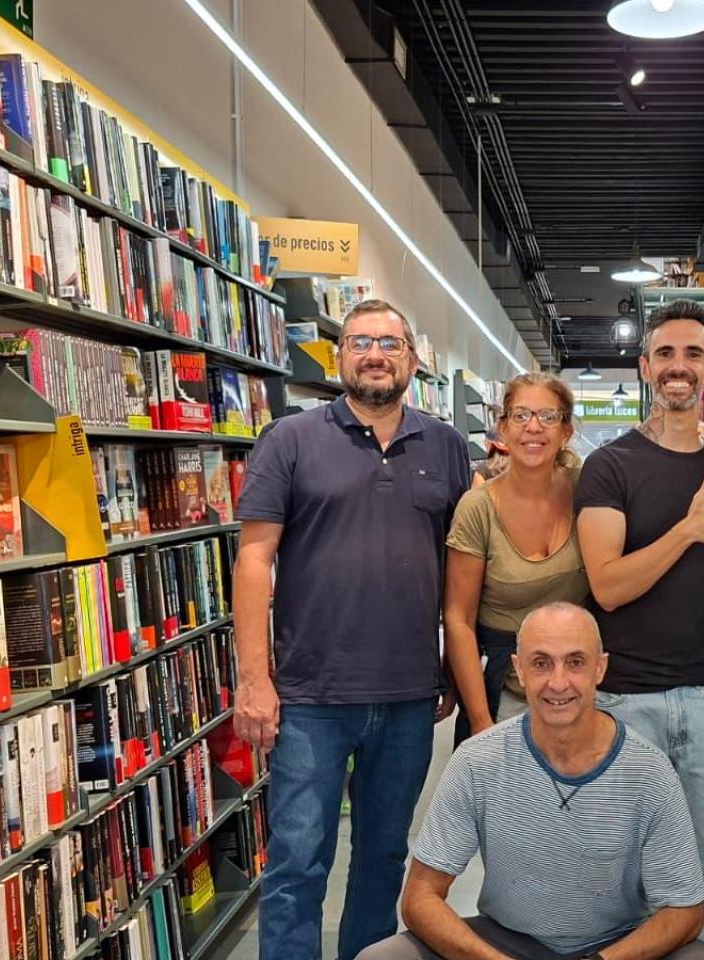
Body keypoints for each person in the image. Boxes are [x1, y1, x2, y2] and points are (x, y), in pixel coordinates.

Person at [232, 299, 470, 960]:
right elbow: (253, 560)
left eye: (390, 343)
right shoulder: (290, 439)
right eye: (361, 341)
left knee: (385, 857)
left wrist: (450, 665)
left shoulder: (446, 448)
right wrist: (255, 680)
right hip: (310, 696)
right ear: (340, 355)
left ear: (412, 359)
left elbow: (460, 570)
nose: (375, 354)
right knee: (297, 865)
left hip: (407, 696)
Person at [357, 603, 704, 960]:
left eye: (575, 662)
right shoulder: (477, 762)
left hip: (614, 945)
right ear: (520, 670)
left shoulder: (649, 773)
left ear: (600, 668)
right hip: (505, 942)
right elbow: (421, 897)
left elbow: (684, 913)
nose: (558, 682)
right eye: (541, 663)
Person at [576, 299, 704, 954]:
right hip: (626, 702)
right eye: (666, 354)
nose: (679, 367)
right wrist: (688, 531)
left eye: (693, 354)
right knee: (626, 882)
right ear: (645, 367)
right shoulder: (610, 467)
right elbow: (608, 587)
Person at [445, 373, 589, 741]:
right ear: (503, 428)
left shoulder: (587, 489)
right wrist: (479, 720)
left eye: (548, 417)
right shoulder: (477, 508)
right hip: (505, 689)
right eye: (522, 415)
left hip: (578, 687)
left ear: (566, 432)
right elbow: (459, 618)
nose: (534, 428)